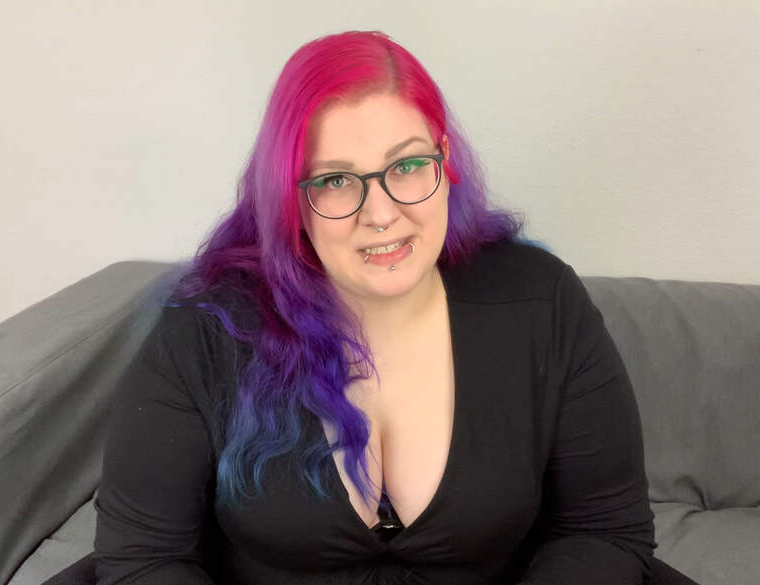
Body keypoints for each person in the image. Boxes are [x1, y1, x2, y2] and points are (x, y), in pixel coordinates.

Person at [90, 30, 682, 585]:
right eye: (335, 180)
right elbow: (144, 558)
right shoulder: (206, 329)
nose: (381, 214)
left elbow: (603, 530)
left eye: (406, 166)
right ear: (290, 198)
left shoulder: (542, 302)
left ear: (444, 161)